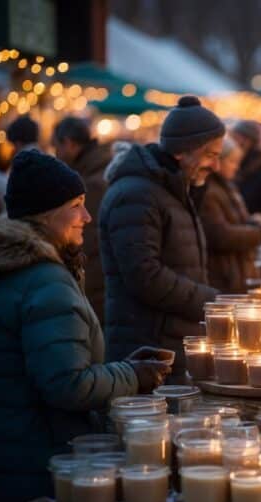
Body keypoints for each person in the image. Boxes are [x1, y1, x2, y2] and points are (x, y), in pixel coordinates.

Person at [0, 150, 169, 502]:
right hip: (31, 465)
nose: (87, 216)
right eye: (76, 205)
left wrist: (121, 368)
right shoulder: (45, 281)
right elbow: (66, 385)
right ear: (47, 214)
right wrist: (132, 375)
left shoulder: (11, 268)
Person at [99, 95, 223, 379]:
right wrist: (213, 302)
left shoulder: (172, 189)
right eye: (210, 155)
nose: (215, 166)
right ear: (182, 151)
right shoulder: (136, 194)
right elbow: (145, 276)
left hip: (171, 344)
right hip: (148, 352)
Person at [199, 137, 261, 293]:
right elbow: (219, 235)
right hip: (224, 277)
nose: (236, 167)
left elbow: (239, 221)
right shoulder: (208, 192)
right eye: (232, 162)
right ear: (218, 162)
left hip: (237, 273)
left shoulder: (228, 186)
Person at [52, 117, 111, 324]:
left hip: (97, 288)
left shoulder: (90, 182)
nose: (56, 153)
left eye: (56, 146)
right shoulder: (98, 168)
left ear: (68, 143)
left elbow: (89, 244)